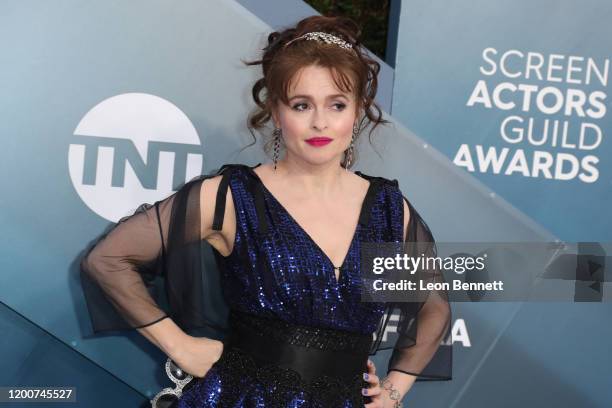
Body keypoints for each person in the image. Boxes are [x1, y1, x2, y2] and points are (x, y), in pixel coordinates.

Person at [79, 15, 451, 408]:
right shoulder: (229, 197)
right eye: (301, 105)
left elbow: (434, 307)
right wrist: (180, 346)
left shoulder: (390, 210)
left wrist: (394, 389)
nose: (320, 122)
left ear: (357, 112)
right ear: (276, 111)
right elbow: (108, 260)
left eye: (336, 105)